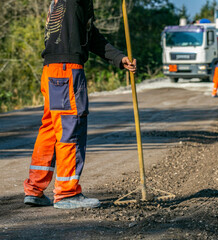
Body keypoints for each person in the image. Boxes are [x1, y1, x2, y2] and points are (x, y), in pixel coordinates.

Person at [23, 0, 136, 209]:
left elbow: (90, 35)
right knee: (70, 128)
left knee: (50, 129)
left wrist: (118, 58)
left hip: (52, 70)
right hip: (67, 70)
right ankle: (67, 193)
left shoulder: (66, 5)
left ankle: (35, 188)